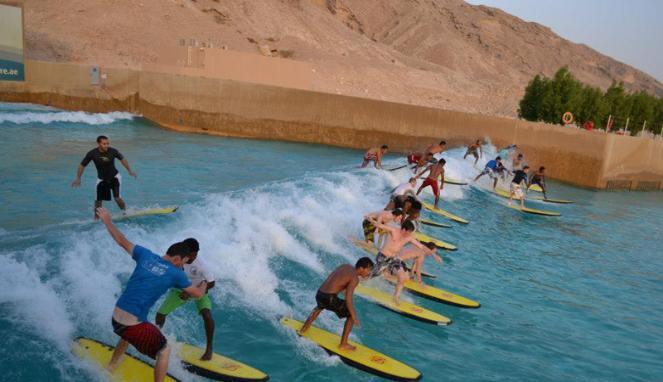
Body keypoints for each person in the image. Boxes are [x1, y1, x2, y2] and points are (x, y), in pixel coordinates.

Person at [97, 207, 207, 382]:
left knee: (127, 336)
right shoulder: (176, 273)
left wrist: (107, 221)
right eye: (185, 262)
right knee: (164, 351)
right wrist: (204, 282)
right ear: (178, 258)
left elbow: (121, 240)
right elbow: (198, 295)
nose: (184, 266)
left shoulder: (145, 254)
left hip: (116, 319)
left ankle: (111, 367)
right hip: (131, 325)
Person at [155, 238, 216, 361]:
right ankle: (157, 342)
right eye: (192, 254)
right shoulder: (177, 259)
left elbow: (212, 283)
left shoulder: (202, 265)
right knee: (160, 315)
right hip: (180, 290)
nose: (194, 257)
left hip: (199, 289)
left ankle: (209, 349)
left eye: (196, 254)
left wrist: (193, 292)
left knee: (207, 315)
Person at [299, 257, 374, 351]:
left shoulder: (345, 266)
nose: (369, 273)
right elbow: (348, 298)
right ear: (362, 268)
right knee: (350, 314)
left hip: (320, 293)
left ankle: (304, 328)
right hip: (330, 298)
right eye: (369, 270)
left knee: (320, 306)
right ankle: (343, 344)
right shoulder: (355, 278)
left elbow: (332, 277)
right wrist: (354, 316)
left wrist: (340, 289)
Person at [367, 219, 435, 305]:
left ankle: (396, 296)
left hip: (394, 259)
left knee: (402, 278)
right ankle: (362, 280)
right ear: (403, 229)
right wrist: (371, 220)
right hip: (383, 257)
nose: (409, 234)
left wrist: (434, 255)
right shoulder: (393, 230)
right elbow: (380, 226)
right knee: (373, 275)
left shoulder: (408, 237)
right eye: (409, 232)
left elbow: (421, 246)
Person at [72, 135, 137, 219]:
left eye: (107, 143)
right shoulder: (92, 153)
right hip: (101, 180)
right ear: (98, 144)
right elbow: (82, 165)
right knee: (98, 202)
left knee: (117, 198)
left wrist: (129, 171)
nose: (106, 145)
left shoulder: (113, 151)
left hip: (115, 178)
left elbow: (122, 159)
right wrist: (78, 178)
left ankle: (125, 212)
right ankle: (96, 219)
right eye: (104, 144)